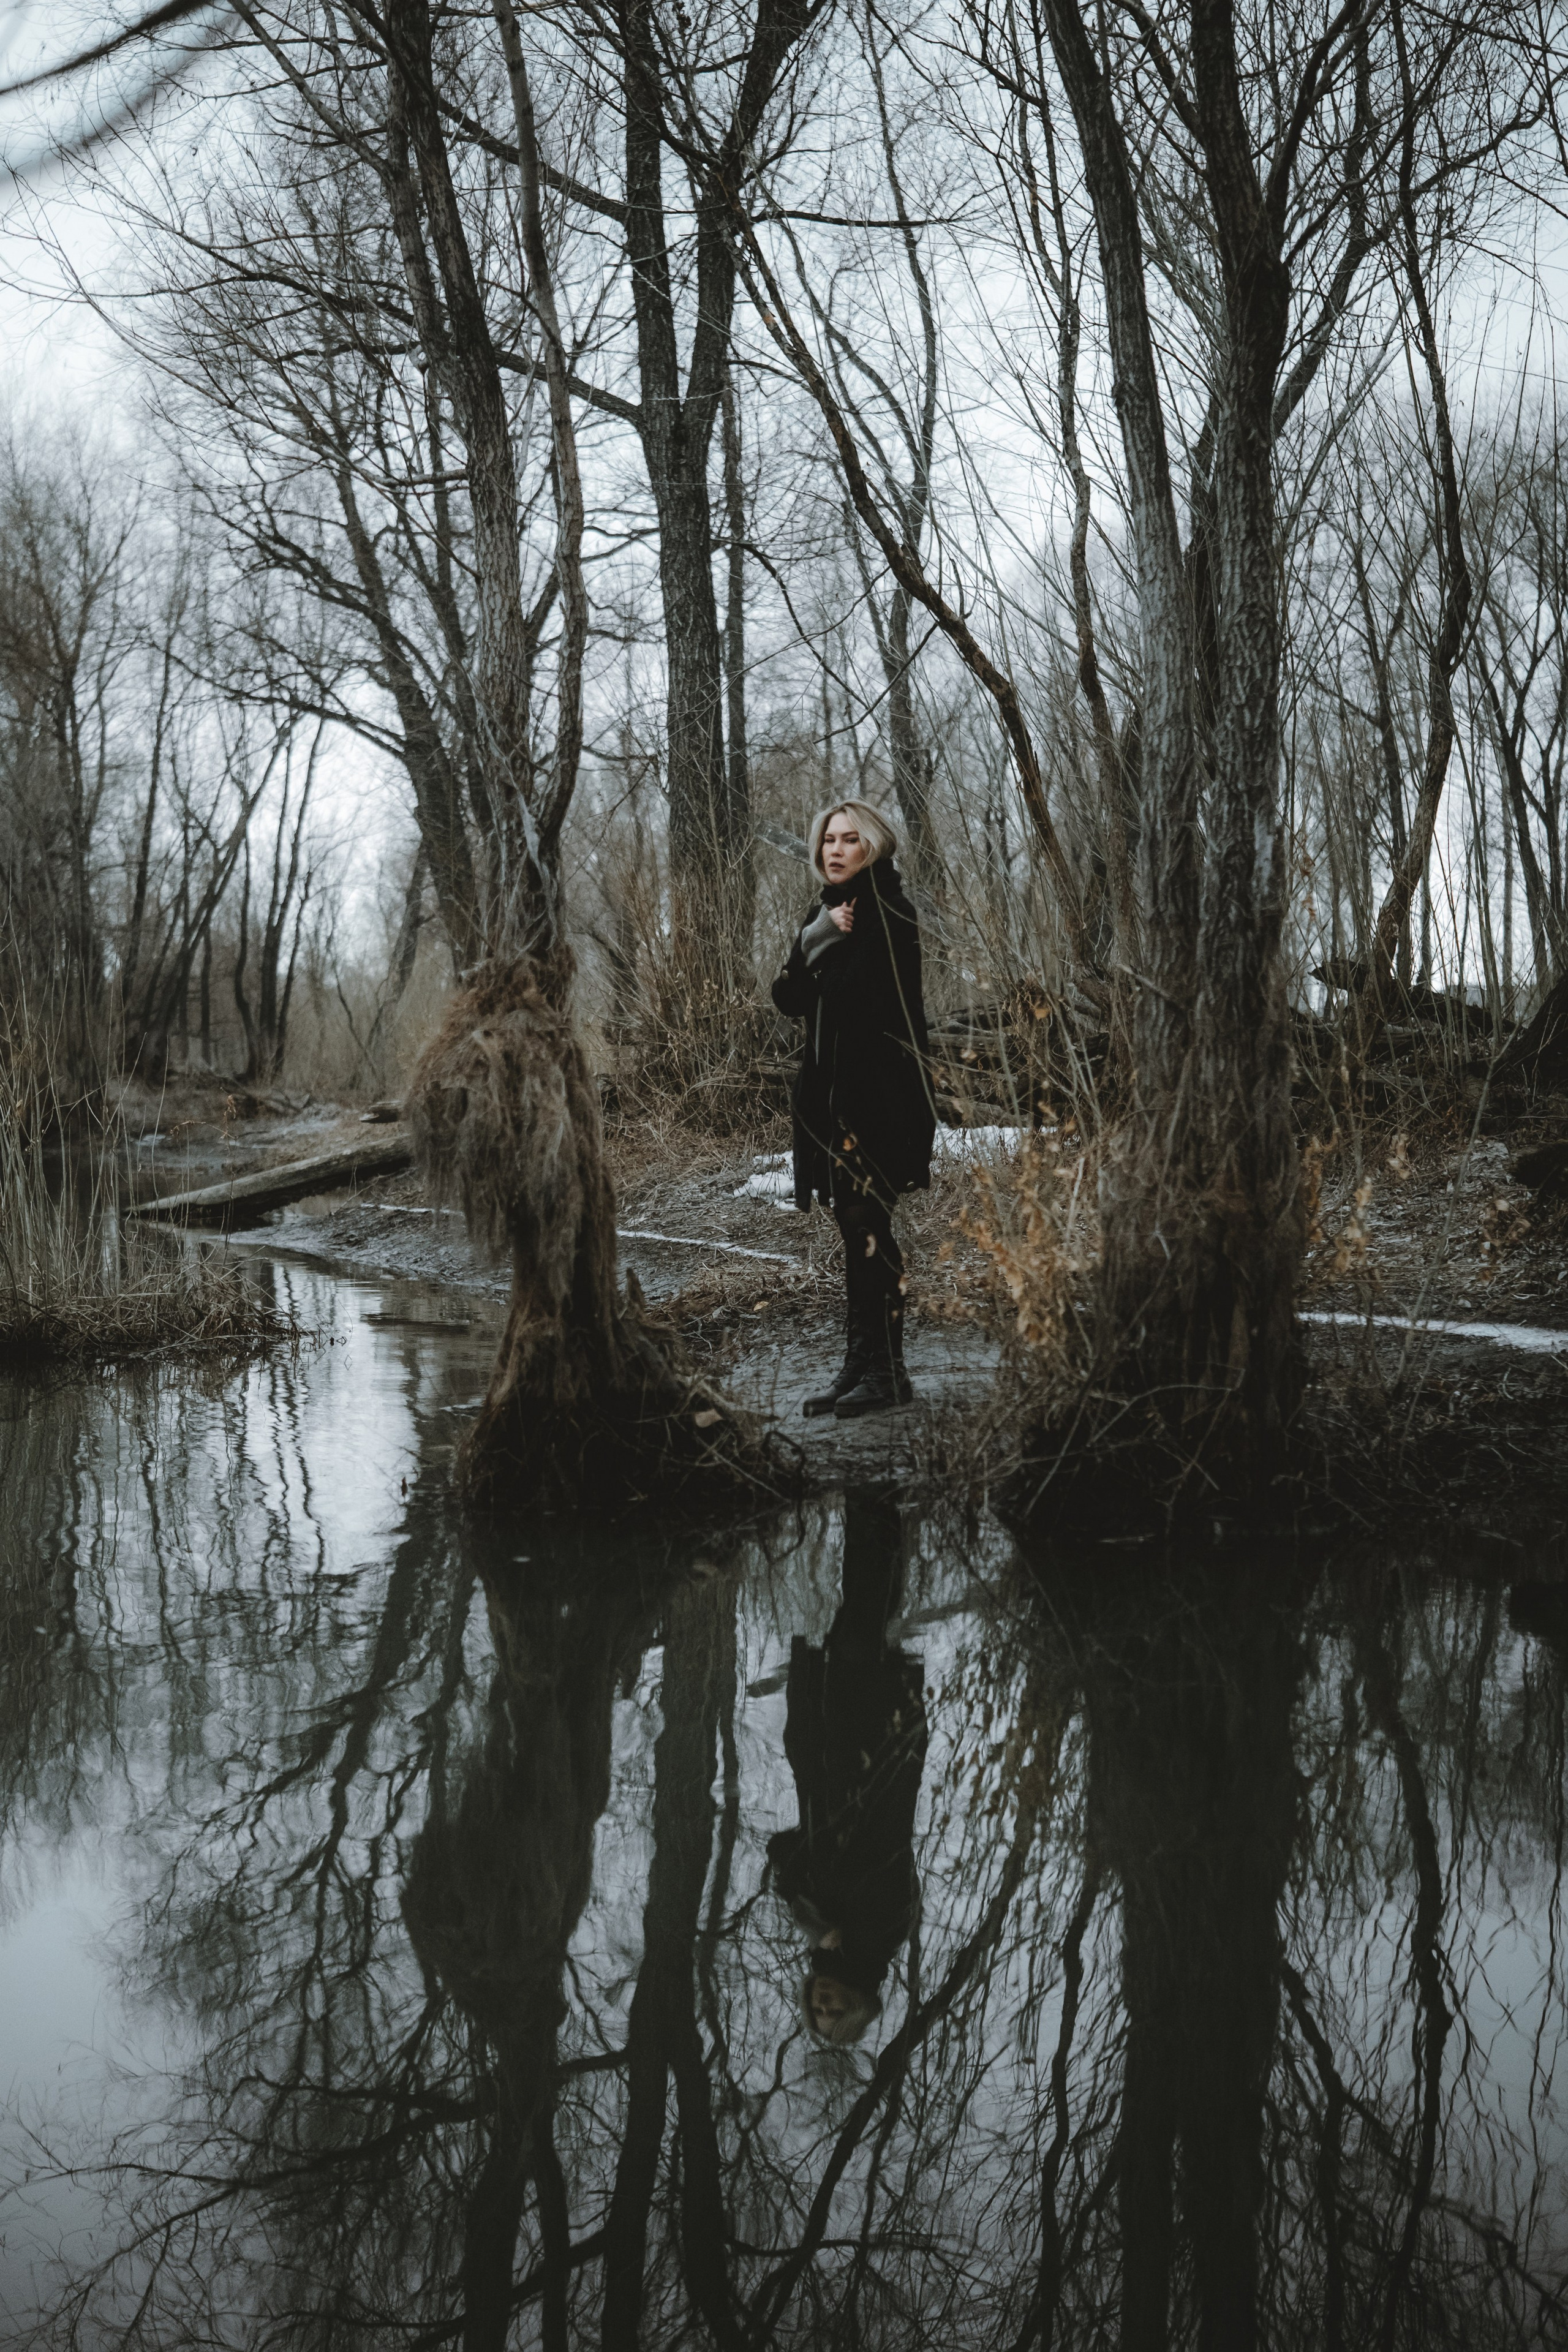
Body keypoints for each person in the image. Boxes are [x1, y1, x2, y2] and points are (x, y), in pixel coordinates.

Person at [770, 801, 935, 1419]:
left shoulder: (888, 913)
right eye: (826, 842)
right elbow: (786, 995)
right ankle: (859, 1366)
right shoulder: (828, 915)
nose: (834, 851)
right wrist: (814, 939)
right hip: (834, 1100)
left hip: (881, 1099)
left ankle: (888, 1373)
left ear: (873, 846)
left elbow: (852, 1001)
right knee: (853, 1228)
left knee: (870, 1228)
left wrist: (817, 957)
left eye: (848, 840)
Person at [767, 1491, 929, 2044]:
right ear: (858, 2004)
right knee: (860, 1634)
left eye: (816, 2010)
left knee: (855, 1631)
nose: (823, 2004)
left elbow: (781, 1851)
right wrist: (833, 1924)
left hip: (825, 1752)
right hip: (872, 1752)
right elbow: (869, 1859)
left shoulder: (824, 1929)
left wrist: (814, 1916)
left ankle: (876, 1507)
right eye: (834, 2014)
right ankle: (876, 1505)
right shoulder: (886, 1931)